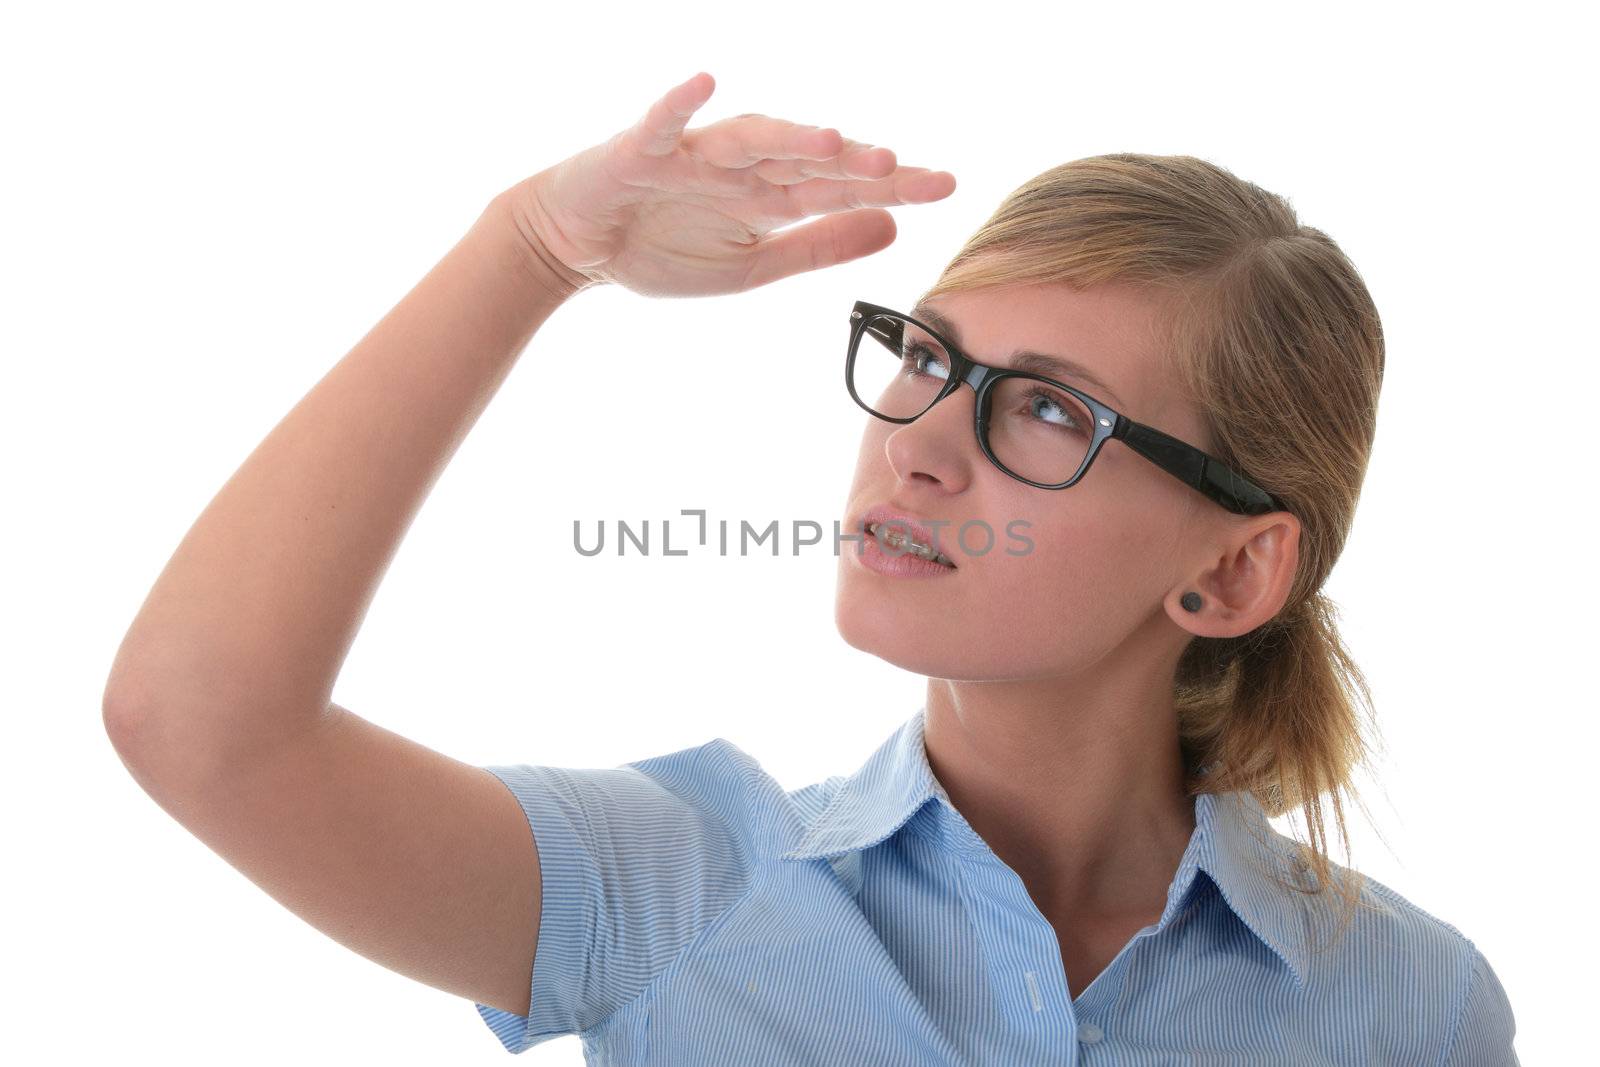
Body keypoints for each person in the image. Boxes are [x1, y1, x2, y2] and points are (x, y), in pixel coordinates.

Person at [102, 72, 1518, 1065]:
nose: (917, 443)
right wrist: (532, 249)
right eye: (928, 356)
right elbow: (199, 724)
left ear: (1231, 572)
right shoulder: (685, 887)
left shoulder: (1419, 1012)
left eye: (1048, 408)